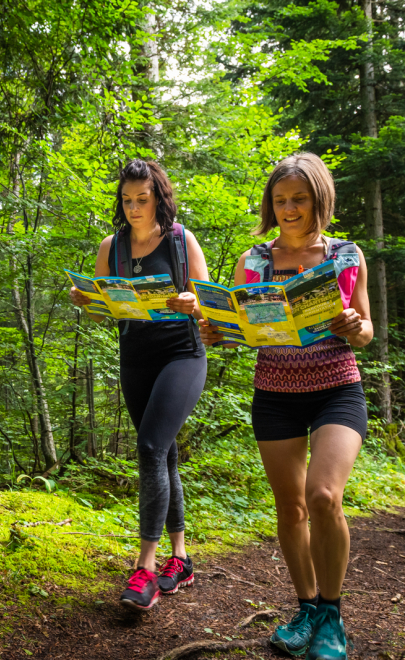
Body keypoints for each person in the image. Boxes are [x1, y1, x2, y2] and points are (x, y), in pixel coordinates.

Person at [199, 153, 372, 660]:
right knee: (291, 507)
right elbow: (240, 329)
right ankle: (307, 608)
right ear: (269, 206)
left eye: (299, 198)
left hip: (337, 386)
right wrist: (218, 332)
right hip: (275, 393)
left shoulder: (346, 255)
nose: (290, 208)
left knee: (322, 496)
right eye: (280, 200)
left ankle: (333, 618)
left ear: (320, 199)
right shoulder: (253, 261)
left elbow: (365, 329)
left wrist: (352, 327)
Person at [69, 159, 210, 611]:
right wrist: (85, 300)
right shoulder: (112, 247)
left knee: (149, 448)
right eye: (127, 200)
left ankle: (145, 567)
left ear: (159, 198)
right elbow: (101, 313)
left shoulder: (181, 241)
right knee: (162, 453)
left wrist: (193, 302)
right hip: (136, 359)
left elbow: (209, 308)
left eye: (142, 199)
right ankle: (180, 559)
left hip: (182, 356)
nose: (133, 208)